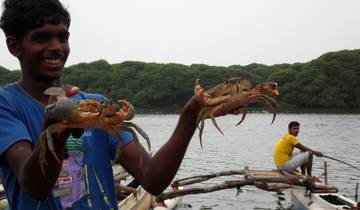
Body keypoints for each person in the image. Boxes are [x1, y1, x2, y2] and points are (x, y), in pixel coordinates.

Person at [0, 0, 201, 209]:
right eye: (42, 38)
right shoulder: (6, 105)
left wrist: (191, 116)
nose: (56, 47)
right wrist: (56, 127)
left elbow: (153, 179)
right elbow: (34, 187)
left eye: (63, 37)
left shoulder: (98, 105)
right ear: (14, 46)